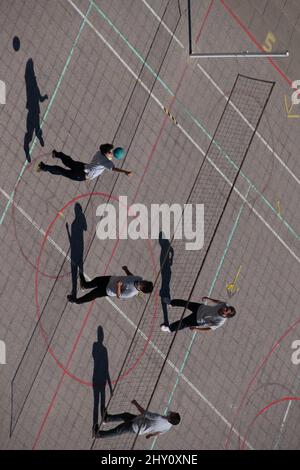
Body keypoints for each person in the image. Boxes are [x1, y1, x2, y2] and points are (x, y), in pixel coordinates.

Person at [36, 144, 132, 181]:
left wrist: (110, 154)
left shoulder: (99, 153)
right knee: (63, 171)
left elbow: (107, 158)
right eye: (110, 152)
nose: (112, 153)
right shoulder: (106, 162)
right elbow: (113, 168)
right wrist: (125, 172)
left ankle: (57, 154)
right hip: (82, 174)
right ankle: (43, 167)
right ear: (106, 153)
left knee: (69, 161)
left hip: (83, 166)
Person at [95, 399, 180, 439]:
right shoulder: (169, 426)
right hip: (140, 420)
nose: (172, 412)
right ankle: (107, 418)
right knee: (125, 415)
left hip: (136, 426)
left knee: (118, 430)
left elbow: (144, 412)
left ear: (170, 418)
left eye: (173, 413)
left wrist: (135, 403)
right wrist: (150, 435)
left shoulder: (158, 418)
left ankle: (98, 434)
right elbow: (159, 433)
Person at [67, 265, 153, 304]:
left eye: (144, 283)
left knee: (91, 295)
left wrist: (119, 286)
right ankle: (84, 285)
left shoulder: (131, 292)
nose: (143, 281)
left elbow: (119, 296)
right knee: (95, 281)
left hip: (108, 290)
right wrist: (126, 270)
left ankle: (76, 300)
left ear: (142, 288)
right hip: (110, 279)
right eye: (145, 281)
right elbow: (131, 277)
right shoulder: (139, 278)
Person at [160, 296, 236, 333]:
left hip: (198, 319)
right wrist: (208, 299)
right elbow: (218, 301)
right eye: (227, 307)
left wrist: (196, 329)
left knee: (183, 323)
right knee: (186, 303)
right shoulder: (224, 305)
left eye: (226, 310)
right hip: (200, 307)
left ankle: (169, 329)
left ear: (226, 315)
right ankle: (171, 303)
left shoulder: (220, 321)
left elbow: (209, 329)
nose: (225, 308)